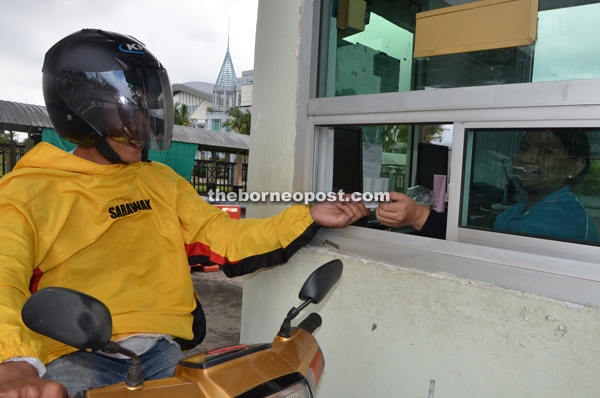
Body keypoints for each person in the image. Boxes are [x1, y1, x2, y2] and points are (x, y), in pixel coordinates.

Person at [0, 29, 369, 397]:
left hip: (163, 353)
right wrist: (14, 365)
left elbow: (227, 239)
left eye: (147, 106)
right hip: (73, 357)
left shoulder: (161, 182)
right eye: (129, 108)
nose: (142, 122)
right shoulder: (27, 191)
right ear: (81, 110)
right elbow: (4, 279)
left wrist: (307, 215)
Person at [376, 129, 598, 242]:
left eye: (547, 151)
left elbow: (484, 259)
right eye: (524, 148)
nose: (528, 158)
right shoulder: (527, 206)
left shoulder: (560, 217)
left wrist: (418, 217)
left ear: (575, 167)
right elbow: (493, 226)